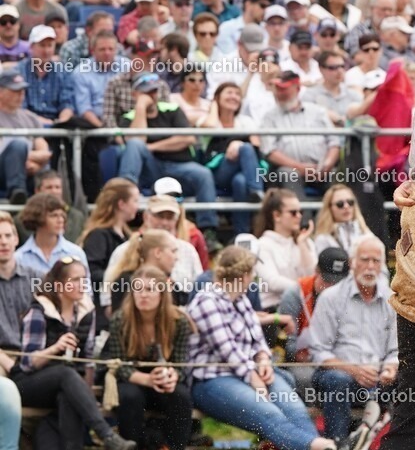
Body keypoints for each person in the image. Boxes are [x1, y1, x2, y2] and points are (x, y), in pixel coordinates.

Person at [187, 245, 340, 450]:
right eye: (252, 274)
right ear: (244, 275)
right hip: (213, 379)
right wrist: (253, 377)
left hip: (251, 371)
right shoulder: (206, 302)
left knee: (294, 408)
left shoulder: (240, 299)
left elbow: (257, 339)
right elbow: (227, 351)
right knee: (268, 413)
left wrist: (263, 360)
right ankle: (319, 447)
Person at [13, 258, 136, 450]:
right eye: (76, 280)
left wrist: (84, 395)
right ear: (59, 285)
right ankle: (106, 435)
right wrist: (56, 348)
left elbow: (87, 360)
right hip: (30, 383)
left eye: (84, 280)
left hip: (65, 385)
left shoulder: (86, 312)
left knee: (68, 393)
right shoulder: (39, 311)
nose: (82, 285)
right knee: (65, 374)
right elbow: (27, 363)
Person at [307, 235, 397, 450]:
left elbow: (395, 350)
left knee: (411, 379)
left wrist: (390, 368)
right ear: (352, 262)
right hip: (339, 374)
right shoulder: (331, 298)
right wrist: (354, 370)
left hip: (378, 377)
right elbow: (318, 351)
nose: (370, 266)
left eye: (376, 261)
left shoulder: (392, 299)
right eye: (365, 260)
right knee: (337, 380)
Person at [105, 265, 193, 450]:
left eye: (149, 289)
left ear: (162, 294)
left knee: (181, 396)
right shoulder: (120, 320)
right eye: (138, 289)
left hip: (163, 377)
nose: (143, 295)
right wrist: (146, 379)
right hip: (133, 378)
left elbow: (181, 363)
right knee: (130, 397)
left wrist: (172, 376)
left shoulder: (179, 321)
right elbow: (117, 363)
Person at [116, 72, 221, 251]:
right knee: (134, 144)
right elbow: (137, 140)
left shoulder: (171, 109)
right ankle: (125, 195)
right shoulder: (129, 117)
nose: (152, 95)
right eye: (146, 92)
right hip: (150, 170)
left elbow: (188, 138)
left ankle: (208, 230)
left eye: (154, 91)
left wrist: (153, 146)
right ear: (135, 94)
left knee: (203, 174)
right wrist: (140, 107)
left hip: (179, 166)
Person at [199, 82, 264, 236]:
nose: (234, 97)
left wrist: (238, 144)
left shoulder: (246, 121)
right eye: (229, 93)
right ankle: (257, 192)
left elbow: (257, 146)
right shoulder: (207, 119)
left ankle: (242, 234)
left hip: (244, 172)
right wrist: (214, 106)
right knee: (245, 148)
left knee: (240, 181)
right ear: (217, 97)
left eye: (237, 94)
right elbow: (210, 126)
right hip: (217, 173)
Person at [0, 211, 32, 450]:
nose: (3, 241)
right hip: (2, 358)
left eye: (7, 235)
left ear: (16, 239)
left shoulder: (38, 278)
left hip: (32, 357)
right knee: (6, 389)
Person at [80, 178, 139, 323]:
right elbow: (92, 272)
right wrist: (121, 279)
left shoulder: (127, 235)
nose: (137, 206)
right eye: (135, 201)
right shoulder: (98, 235)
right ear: (121, 204)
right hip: (103, 310)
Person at [254, 188, 316, 310]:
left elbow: (313, 275)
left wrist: (302, 245)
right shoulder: (262, 245)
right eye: (293, 212)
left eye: (301, 212)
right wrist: (305, 287)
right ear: (277, 215)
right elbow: (273, 282)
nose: (299, 216)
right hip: (274, 308)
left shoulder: (305, 241)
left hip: (304, 305)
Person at [0, 68, 51, 204]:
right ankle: (17, 192)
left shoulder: (31, 118)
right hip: (2, 170)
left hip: (30, 169)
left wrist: (34, 164)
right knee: (18, 145)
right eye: (15, 91)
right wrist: (21, 157)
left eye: (22, 91)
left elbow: (44, 151)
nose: (21, 95)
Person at [106, 229, 185, 311]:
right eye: (173, 251)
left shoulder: (170, 284)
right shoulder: (125, 281)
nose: (176, 258)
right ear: (158, 252)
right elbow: (119, 316)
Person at [16, 193, 88, 277]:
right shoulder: (20, 257)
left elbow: (85, 284)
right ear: (37, 218)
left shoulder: (76, 253)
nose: (60, 220)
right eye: (54, 215)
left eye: (62, 215)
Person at [312, 184, 371, 256]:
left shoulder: (365, 232)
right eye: (340, 204)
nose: (346, 206)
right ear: (329, 208)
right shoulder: (323, 239)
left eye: (350, 202)